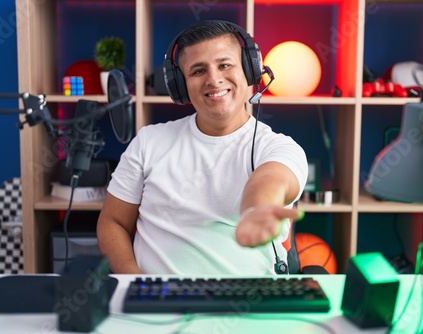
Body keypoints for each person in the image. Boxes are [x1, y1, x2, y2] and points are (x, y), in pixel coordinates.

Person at [97, 20, 308, 275]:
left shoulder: (279, 147)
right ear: (180, 85)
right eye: (198, 71)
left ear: (250, 70)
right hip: (160, 304)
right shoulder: (149, 142)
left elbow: (272, 180)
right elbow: (113, 222)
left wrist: (258, 208)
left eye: (225, 65)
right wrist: (135, 283)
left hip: (248, 304)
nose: (214, 79)